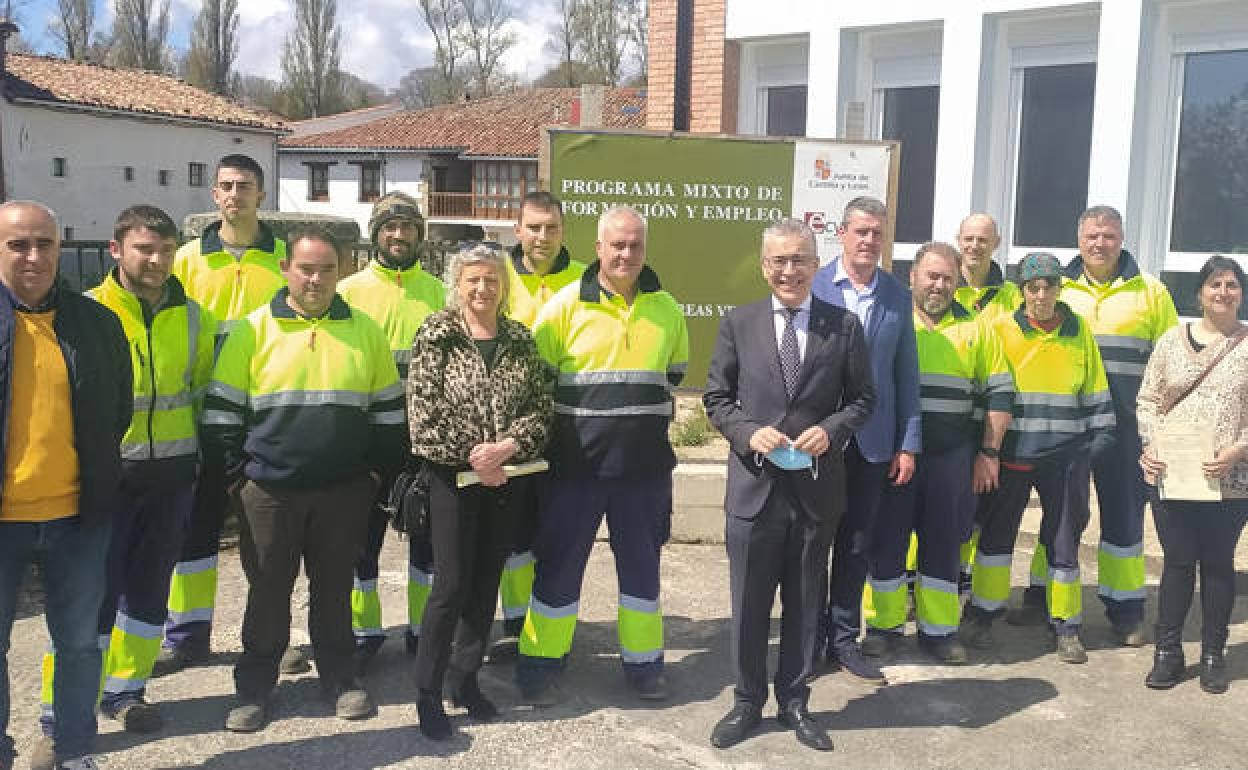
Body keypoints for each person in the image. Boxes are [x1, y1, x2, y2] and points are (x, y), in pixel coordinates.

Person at [202, 228, 404, 732]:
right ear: (286, 270)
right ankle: (254, 688)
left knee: (334, 589)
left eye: (327, 269)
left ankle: (340, 679)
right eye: (306, 268)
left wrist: (374, 476)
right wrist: (238, 483)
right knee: (268, 591)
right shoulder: (251, 331)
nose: (316, 279)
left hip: (344, 491)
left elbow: (388, 414)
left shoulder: (366, 331)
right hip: (268, 492)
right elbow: (222, 417)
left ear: (341, 272)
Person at [704, 219, 874, 752]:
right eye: (779, 260)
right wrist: (749, 433)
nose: (789, 270)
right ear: (763, 266)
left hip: (815, 491)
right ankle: (746, 701)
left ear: (814, 263)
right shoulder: (739, 323)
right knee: (749, 603)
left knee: (804, 603)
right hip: (754, 492)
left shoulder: (842, 327)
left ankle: (796, 701)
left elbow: (863, 400)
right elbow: (716, 400)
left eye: (800, 259)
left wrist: (832, 430)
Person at [517, 205, 689, 704]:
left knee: (642, 573)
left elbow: (673, 374)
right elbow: (537, 380)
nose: (626, 253)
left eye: (635, 244)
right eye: (617, 244)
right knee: (558, 569)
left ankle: (644, 667)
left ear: (645, 249)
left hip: (643, 472)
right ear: (598, 249)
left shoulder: (668, 310)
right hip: (575, 471)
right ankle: (540, 667)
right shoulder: (565, 307)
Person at [55, 207, 214, 737]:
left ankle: (127, 690)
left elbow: (198, 391)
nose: (156, 259)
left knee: (148, 591)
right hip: (105, 478)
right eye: (145, 248)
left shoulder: (193, 317)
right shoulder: (84, 313)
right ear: (116, 250)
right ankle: (67, 707)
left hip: (171, 477)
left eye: (166, 250)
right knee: (87, 597)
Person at [0, 201, 131, 770]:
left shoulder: (96, 324)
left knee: (78, 643)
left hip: (78, 516)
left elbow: (117, 412)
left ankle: (75, 749)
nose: (33, 256)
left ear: (60, 246)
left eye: (45, 244)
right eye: (18, 245)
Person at [406, 242, 553, 739]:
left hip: (505, 480)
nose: (483, 288)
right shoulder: (437, 333)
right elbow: (424, 415)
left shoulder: (519, 337)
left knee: (486, 580)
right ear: (458, 284)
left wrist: (508, 447)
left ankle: (464, 681)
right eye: (473, 279)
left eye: (492, 279)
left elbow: (541, 410)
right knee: (449, 586)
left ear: (504, 285)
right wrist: (475, 453)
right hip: (452, 480)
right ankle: (427, 694)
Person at [161, 154, 288, 673]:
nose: (235, 194)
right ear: (214, 195)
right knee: (196, 529)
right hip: (204, 418)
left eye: (245, 186)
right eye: (226, 186)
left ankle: (273, 637)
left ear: (262, 194)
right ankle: (187, 635)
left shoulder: (284, 258)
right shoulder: (187, 260)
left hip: (265, 417)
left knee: (270, 536)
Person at [862, 242, 1013, 664]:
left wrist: (989, 452)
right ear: (912, 277)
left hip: (953, 456)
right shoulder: (892, 321)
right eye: (931, 276)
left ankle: (940, 632)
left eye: (948, 278)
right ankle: (884, 626)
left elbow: (1000, 394)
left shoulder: (979, 329)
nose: (939, 285)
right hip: (896, 455)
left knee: (945, 543)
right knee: (887, 540)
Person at [962, 253, 1115, 664]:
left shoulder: (1078, 329)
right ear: (1022, 290)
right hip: (1012, 455)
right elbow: (986, 391)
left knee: (1064, 544)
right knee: (995, 539)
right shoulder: (1000, 329)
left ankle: (1066, 625)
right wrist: (985, 448)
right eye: (1034, 286)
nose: (1042, 293)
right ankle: (982, 615)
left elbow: (1096, 389)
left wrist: (1094, 445)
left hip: (1065, 458)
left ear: (1060, 288)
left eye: (1050, 284)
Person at [1055, 205, 1177, 646]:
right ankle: (1058, 613)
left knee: (1125, 518)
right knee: (1065, 519)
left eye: (1108, 236)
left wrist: (1160, 428)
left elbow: (1169, 365)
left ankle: (1126, 611)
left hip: (1128, 428)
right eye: (1092, 236)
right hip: (1072, 426)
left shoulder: (1152, 293)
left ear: (1122, 239)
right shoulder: (1058, 289)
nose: (1100, 244)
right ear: (1079, 239)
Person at [811, 196, 920, 685]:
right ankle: (808, 640)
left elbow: (906, 374)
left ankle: (843, 640)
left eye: (877, 233)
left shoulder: (896, 295)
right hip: (818, 441)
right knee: (814, 543)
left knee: (856, 545)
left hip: (875, 443)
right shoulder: (814, 285)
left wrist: (908, 442)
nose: (869, 241)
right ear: (843, 233)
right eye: (861, 231)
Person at [339, 192, 444, 670]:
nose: (398, 236)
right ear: (375, 233)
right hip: (365, 441)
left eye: (407, 227)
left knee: (427, 540)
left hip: (427, 440)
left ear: (420, 234)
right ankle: (365, 632)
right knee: (362, 542)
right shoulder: (348, 293)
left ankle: (425, 630)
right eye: (388, 227)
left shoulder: (441, 293)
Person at [1137, 255, 1248, 694]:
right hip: (1173, 476)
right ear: (1200, 293)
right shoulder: (1169, 341)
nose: (1223, 292)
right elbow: (1147, 400)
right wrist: (1150, 446)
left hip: (1231, 480)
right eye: (1215, 284)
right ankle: (1168, 652)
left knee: (1218, 565)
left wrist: (1238, 449)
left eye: (1232, 285)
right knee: (1178, 563)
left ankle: (1213, 654)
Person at [490, 191, 588, 660]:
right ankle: (514, 624)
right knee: (513, 534)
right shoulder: (498, 277)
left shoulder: (588, 278)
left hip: (567, 431)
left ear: (563, 230)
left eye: (551, 227)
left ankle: (548, 627)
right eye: (533, 227)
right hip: (510, 432)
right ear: (517, 230)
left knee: (556, 534)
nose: (542, 237)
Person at [954, 214, 1022, 325]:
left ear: (996, 243)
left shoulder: (1013, 295)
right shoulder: (944, 290)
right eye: (968, 239)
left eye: (982, 240)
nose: (974, 246)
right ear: (958, 240)